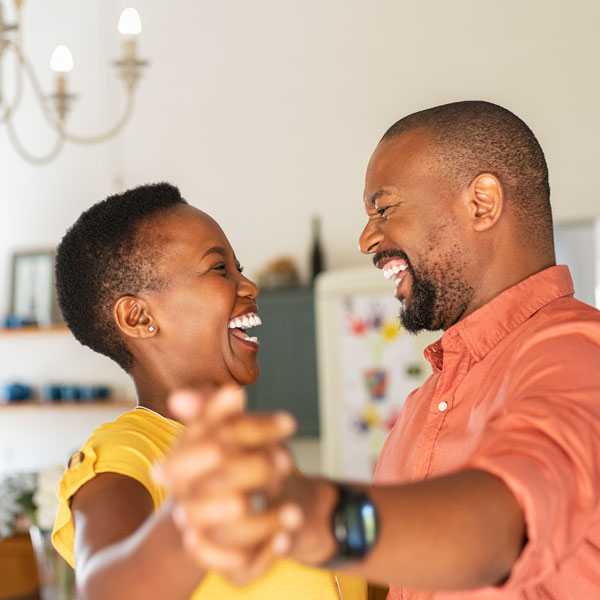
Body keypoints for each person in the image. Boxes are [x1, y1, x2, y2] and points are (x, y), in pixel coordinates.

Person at [157, 101, 600, 599]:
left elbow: (498, 530)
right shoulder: (421, 406)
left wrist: (305, 514)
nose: (368, 239)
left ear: (482, 203)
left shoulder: (575, 353)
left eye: (384, 209)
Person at [50, 183, 368, 600]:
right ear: (139, 316)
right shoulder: (124, 453)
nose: (250, 285)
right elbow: (106, 587)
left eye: (239, 268)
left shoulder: (248, 456)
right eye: (220, 269)